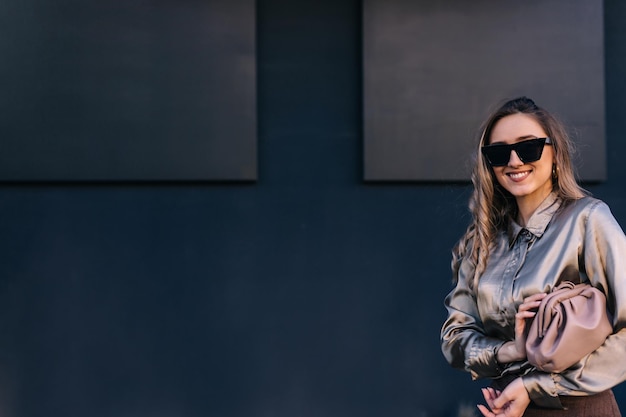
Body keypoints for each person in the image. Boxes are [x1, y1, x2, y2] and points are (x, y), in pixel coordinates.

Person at [440, 97, 626, 417]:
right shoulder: (483, 242)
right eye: (498, 152)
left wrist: (536, 386)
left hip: (578, 406)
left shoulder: (588, 220)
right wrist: (508, 350)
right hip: (508, 407)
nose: (513, 161)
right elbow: (455, 338)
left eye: (529, 148)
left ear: (555, 154)